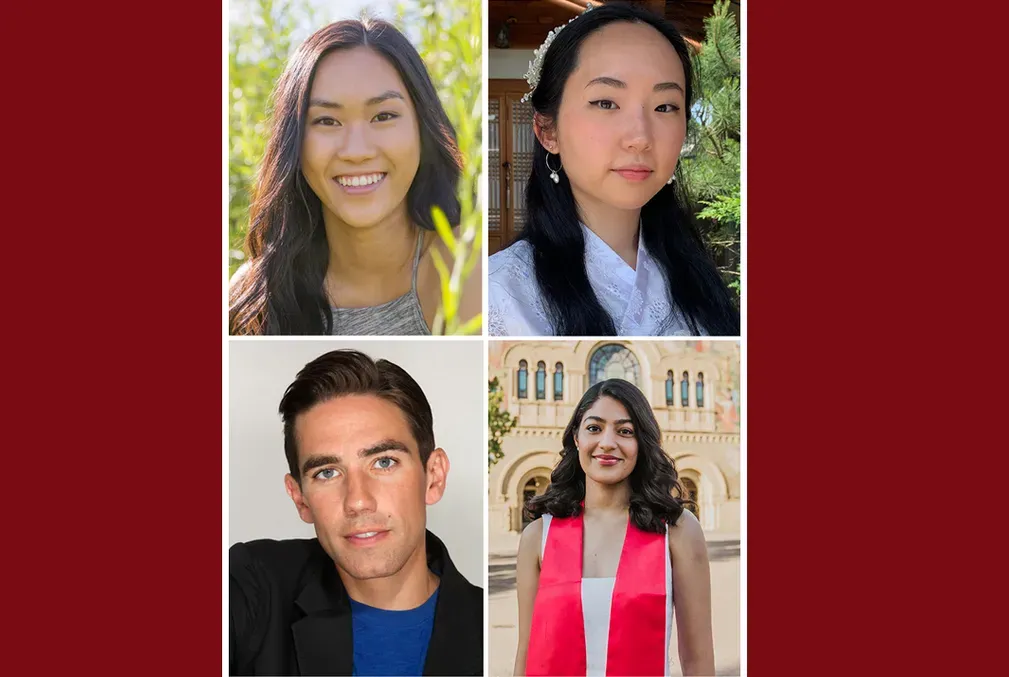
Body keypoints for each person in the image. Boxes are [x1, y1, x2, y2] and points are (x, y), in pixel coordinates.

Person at [488, 3, 739, 337]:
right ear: (548, 130)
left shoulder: (699, 278)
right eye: (606, 103)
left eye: (665, 106)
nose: (640, 137)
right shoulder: (501, 296)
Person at [229, 350, 483, 676]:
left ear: (433, 476)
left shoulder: (483, 625)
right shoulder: (253, 584)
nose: (358, 501)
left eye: (384, 462)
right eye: (327, 473)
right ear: (300, 498)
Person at [229, 18, 481, 335]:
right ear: (294, 142)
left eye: (384, 116)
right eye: (327, 121)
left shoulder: (466, 267)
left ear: (422, 127)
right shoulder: (254, 298)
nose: (356, 151)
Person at [513, 378, 715, 676]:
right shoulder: (538, 536)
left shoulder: (678, 531)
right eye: (594, 428)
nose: (607, 443)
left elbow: (698, 662)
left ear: (641, 444)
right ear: (576, 438)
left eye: (625, 431)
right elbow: (526, 653)